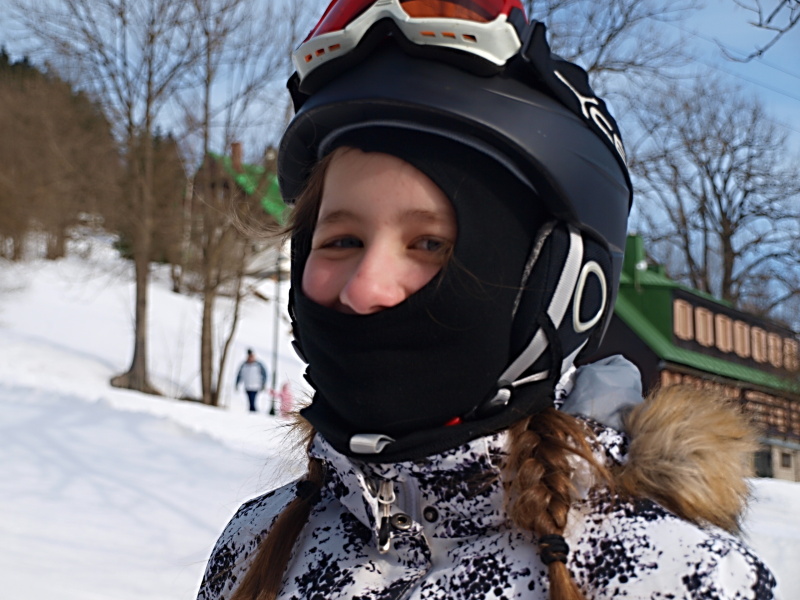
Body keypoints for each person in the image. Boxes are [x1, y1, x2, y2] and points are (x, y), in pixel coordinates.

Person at [198, 1, 776, 599]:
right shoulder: (257, 545)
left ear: (563, 285)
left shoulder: (672, 577)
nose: (365, 288)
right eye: (341, 241)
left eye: (430, 244)